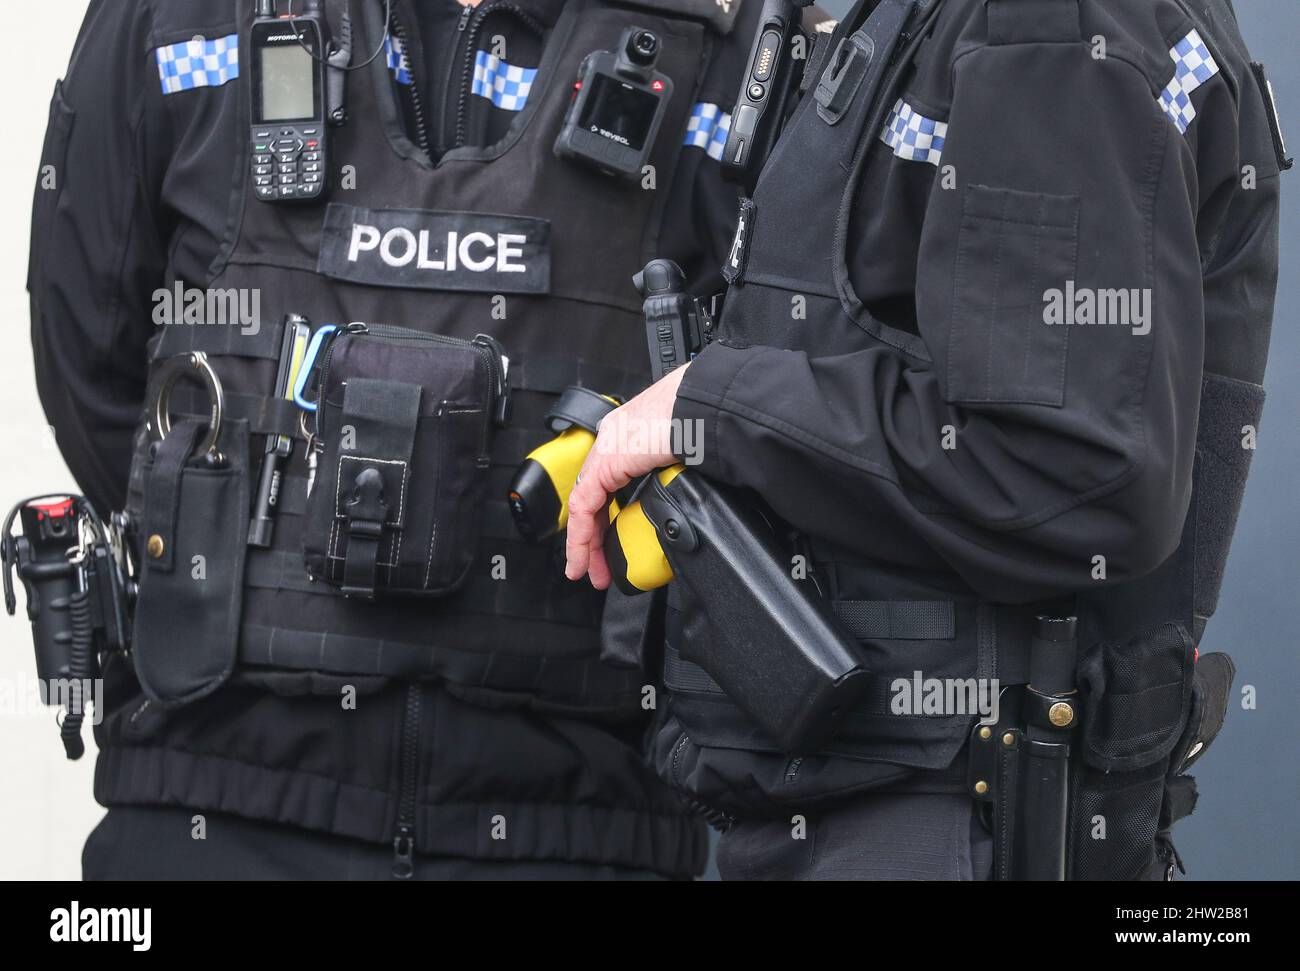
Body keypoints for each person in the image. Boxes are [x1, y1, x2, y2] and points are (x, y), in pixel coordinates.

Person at [29, 0, 764, 880]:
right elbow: (94, 364)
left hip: (583, 816)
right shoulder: (176, 19)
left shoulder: (734, 43)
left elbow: (768, 397)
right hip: (213, 795)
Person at [565, 0, 1286, 880]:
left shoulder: (1054, 29)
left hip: (946, 821)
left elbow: (1069, 473)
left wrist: (719, 407)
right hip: (871, 810)